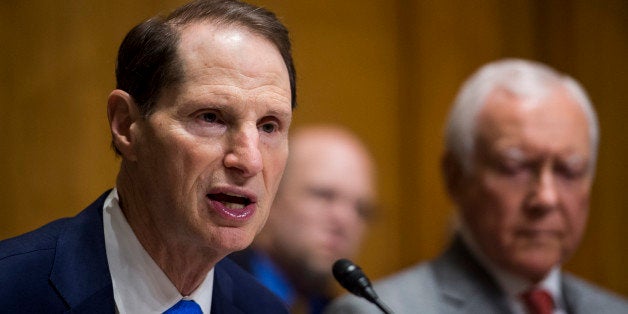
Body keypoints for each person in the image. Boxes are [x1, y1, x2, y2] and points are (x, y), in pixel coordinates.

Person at [0, 0, 297, 313]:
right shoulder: (10, 290)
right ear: (126, 125)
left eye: (268, 126)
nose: (250, 161)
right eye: (211, 117)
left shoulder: (265, 309)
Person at [326, 59, 628, 314]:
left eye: (569, 170)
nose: (546, 198)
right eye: (515, 167)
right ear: (456, 177)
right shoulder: (373, 310)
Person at [230, 125, 378, 313]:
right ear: (271, 196)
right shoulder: (211, 289)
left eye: (361, 209)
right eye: (324, 196)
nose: (345, 220)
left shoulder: (341, 309)